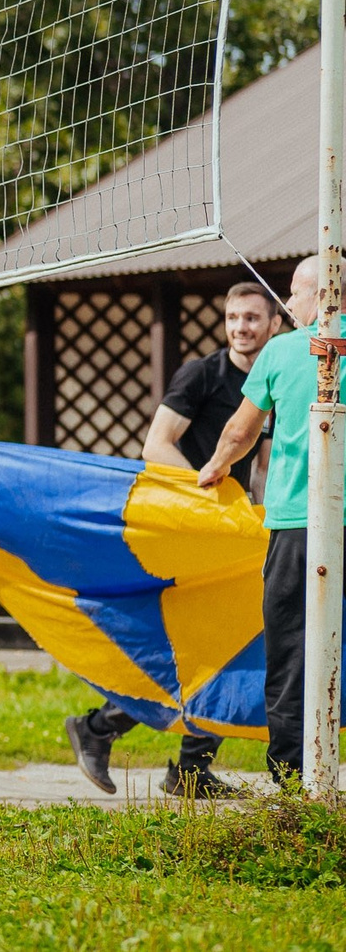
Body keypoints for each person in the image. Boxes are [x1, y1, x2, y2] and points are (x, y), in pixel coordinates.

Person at [66, 282, 276, 799]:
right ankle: (97, 728)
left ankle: (190, 770)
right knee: (189, 646)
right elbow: (155, 444)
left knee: (231, 640)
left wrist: (260, 520)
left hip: (231, 531)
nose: (240, 327)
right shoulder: (203, 374)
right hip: (186, 525)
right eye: (232, 317)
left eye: (251, 318)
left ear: (274, 325)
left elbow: (261, 466)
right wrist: (205, 496)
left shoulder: (270, 380)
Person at [198, 256, 343, 789]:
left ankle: (289, 781)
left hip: (297, 523)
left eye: (294, 292)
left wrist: (213, 469)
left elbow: (241, 431)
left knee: (288, 651)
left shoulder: (282, 350)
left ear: (321, 295)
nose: (288, 303)